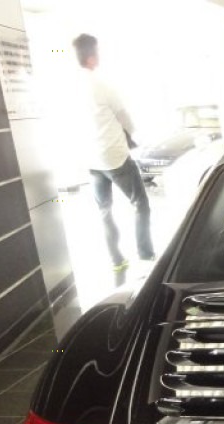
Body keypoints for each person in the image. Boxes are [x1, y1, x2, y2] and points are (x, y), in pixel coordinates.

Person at [72, 33, 153, 272]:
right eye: (96, 51)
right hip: (114, 156)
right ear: (90, 56)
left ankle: (117, 260)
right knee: (140, 203)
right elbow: (123, 115)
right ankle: (145, 254)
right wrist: (135, 135)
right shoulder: (100, 84)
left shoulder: (72, 86)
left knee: (104, 210)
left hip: (92, 159)